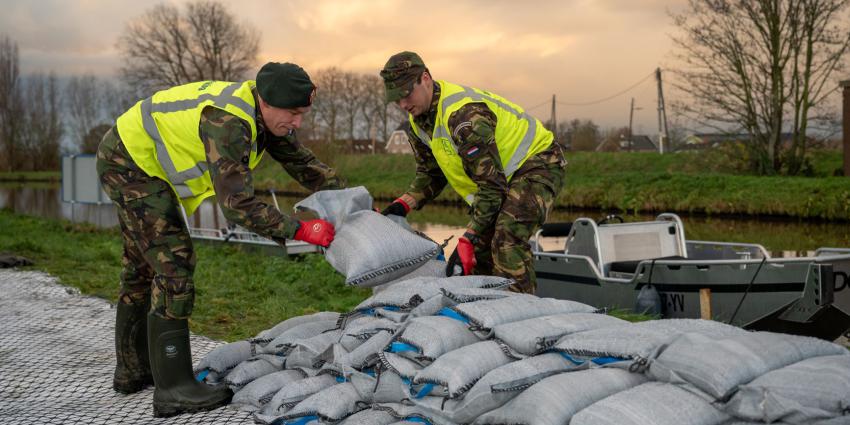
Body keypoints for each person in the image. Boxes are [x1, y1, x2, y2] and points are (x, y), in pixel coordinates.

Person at [97, 62, 343, 417]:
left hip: (131, 155)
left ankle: (134, 371)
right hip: (129, 163)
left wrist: (354, 202)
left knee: (141, 265)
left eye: (303, 114)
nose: (298, 123)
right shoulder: (228, 124)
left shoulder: (263, 115)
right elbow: (238, 206)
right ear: (268, 102)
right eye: (293, 113)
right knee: (174, 261)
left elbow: (304, 165)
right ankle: (174, 390)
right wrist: (299, 230)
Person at [379, 51, 566, 294]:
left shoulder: (464, 117)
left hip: (537, 164)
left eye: (406, 94)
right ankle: (484, 314)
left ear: (425, 78)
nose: (403, 104)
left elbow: (491, 187)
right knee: (478, 253)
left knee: (507, 239)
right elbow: (431, 173)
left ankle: (520, 316)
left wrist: (467, 237)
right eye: (396, 100)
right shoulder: (418, 122)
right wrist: (404, 204)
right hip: (498, 181)